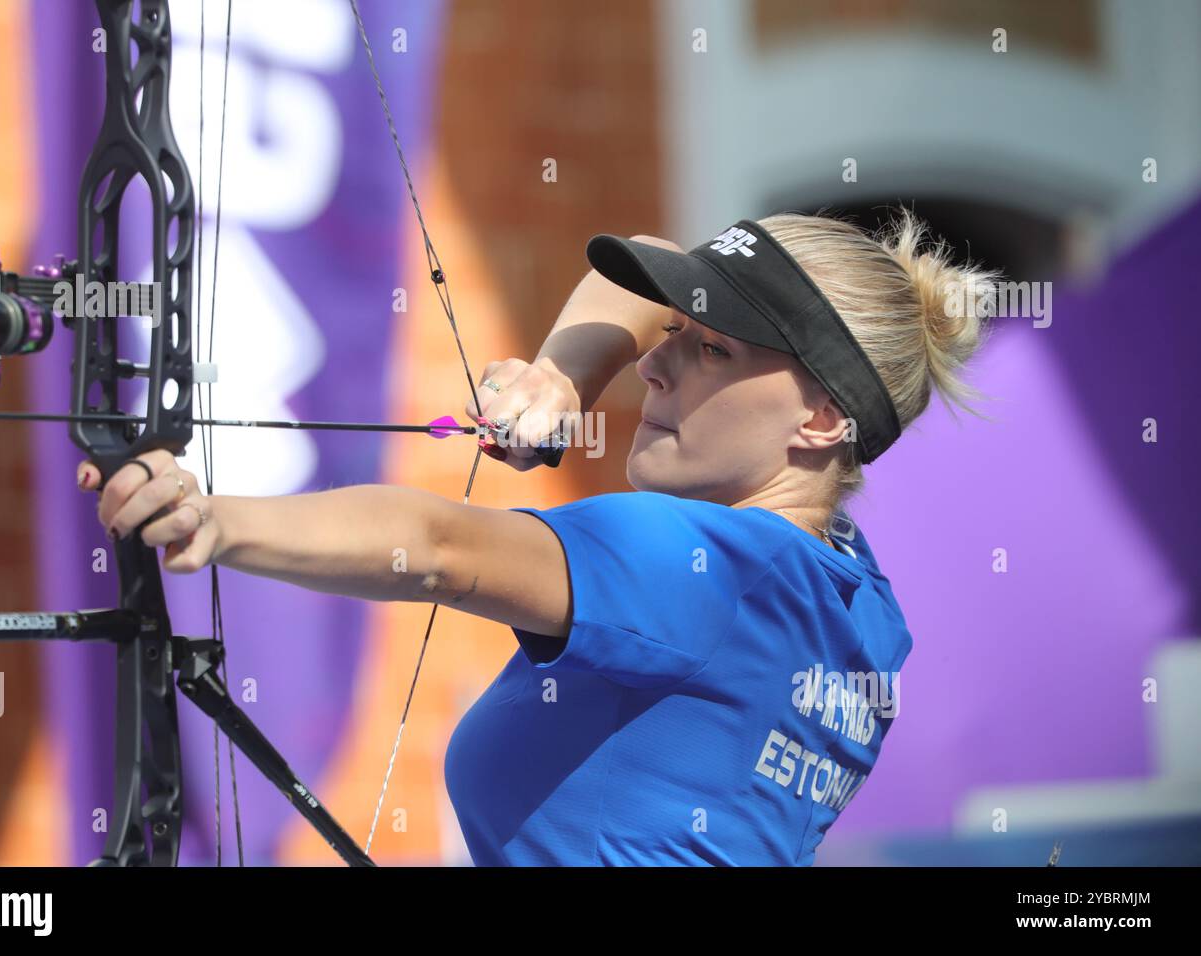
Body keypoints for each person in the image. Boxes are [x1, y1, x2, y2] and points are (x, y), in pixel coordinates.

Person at [79, 207, 1000, 865]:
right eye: (673, 328)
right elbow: (644, 256)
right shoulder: (855, 597)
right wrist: (561, 380)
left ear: (824, 419)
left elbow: (437, 547)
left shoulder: (705, 568)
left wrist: (214, 516)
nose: (654, 362)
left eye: (711, 349)